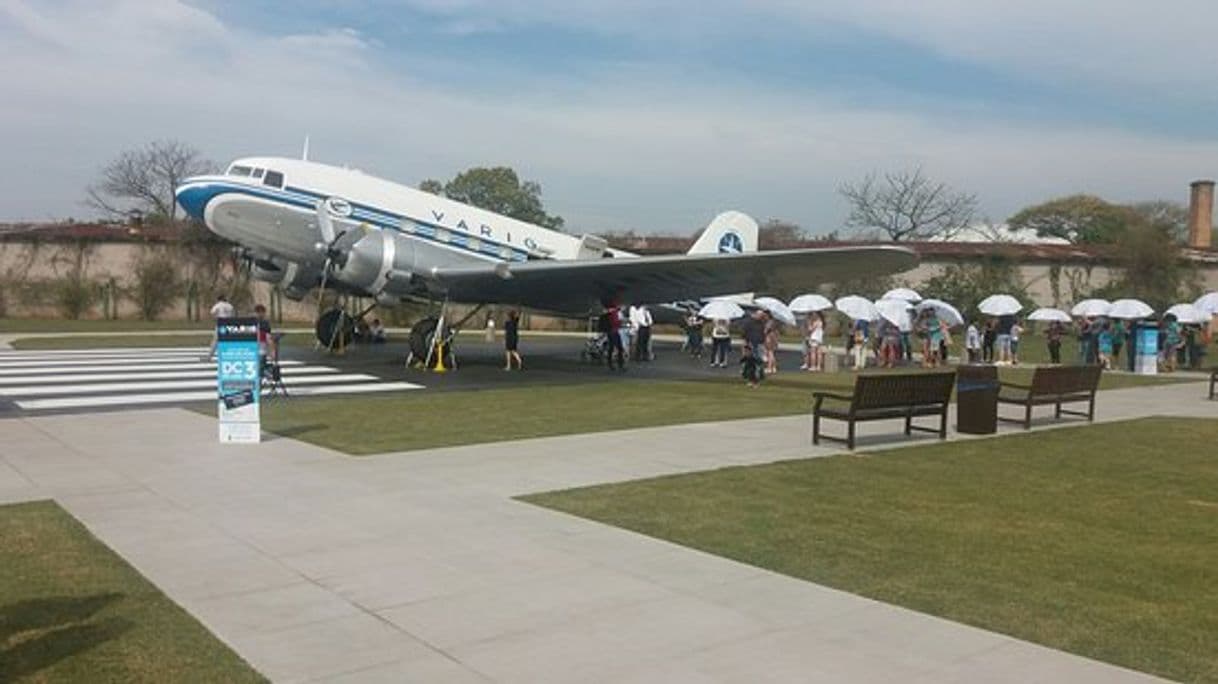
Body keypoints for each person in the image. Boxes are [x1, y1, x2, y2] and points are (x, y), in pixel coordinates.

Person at [741, 309, 767, 386]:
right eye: (760, 315)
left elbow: (763, 335)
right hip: (751, 344)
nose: (761, 317)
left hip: (759, 344)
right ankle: (751, 379)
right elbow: (744, 334)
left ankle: (757, 379)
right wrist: (745, 344)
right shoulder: (749, 323)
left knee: (759, 363)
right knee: (750, 363)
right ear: (756, 314)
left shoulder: (762, 323)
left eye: (762, 316)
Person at [206, 294, 236, 359]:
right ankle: (231, 354)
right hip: (229, 324)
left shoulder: (218, 305)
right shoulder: (230, 305)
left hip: (221, 323)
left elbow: (212, 312)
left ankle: (210, 355)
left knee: (216, 340)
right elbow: (233, 314)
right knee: (229, 340)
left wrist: (215, 318)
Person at [602, 303, 626, 371]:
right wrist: (620, 322)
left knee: (614, 348)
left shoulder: (614, 312)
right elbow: (615, 322)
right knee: (615, 348)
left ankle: (615, 364)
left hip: (614, 331)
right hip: (613, 331)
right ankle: (617, 364)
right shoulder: (613, 313)